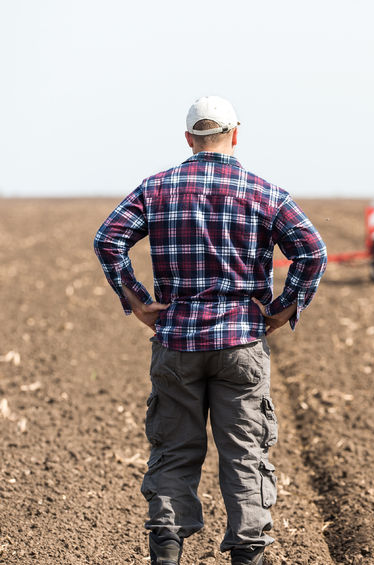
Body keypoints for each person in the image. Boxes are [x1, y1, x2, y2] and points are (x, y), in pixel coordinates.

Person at [93, 96, 327, 565]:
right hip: (241, 342)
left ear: (189, 140)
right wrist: (282, 310)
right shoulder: (263, 191)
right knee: (245, 453)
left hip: (176, 343)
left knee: (174, 451)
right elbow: (312, 252)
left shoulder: (157, 188)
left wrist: (137, 301)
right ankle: (248, 555)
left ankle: (166, 552)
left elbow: (108, 239)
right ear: (235, 135)